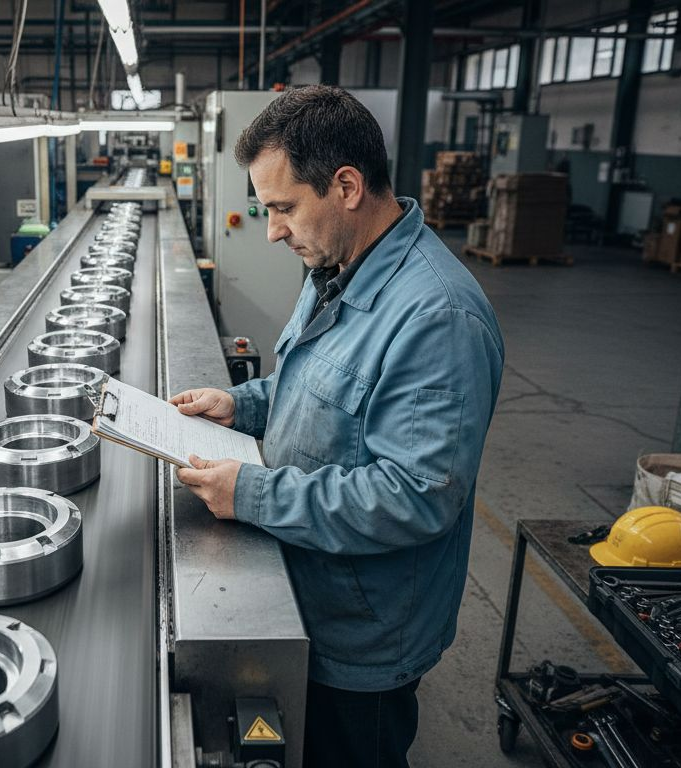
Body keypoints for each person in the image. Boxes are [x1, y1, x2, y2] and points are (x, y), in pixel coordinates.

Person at [171, 85, 505, 768]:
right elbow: (324, 388)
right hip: (309, 580)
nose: (271, 230)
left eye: (284, 208)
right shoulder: (336, 264)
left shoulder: (436, 318)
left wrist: (253, 493)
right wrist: (245, 405)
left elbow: (416, 497)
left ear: (347, 186)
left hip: (364, 634)